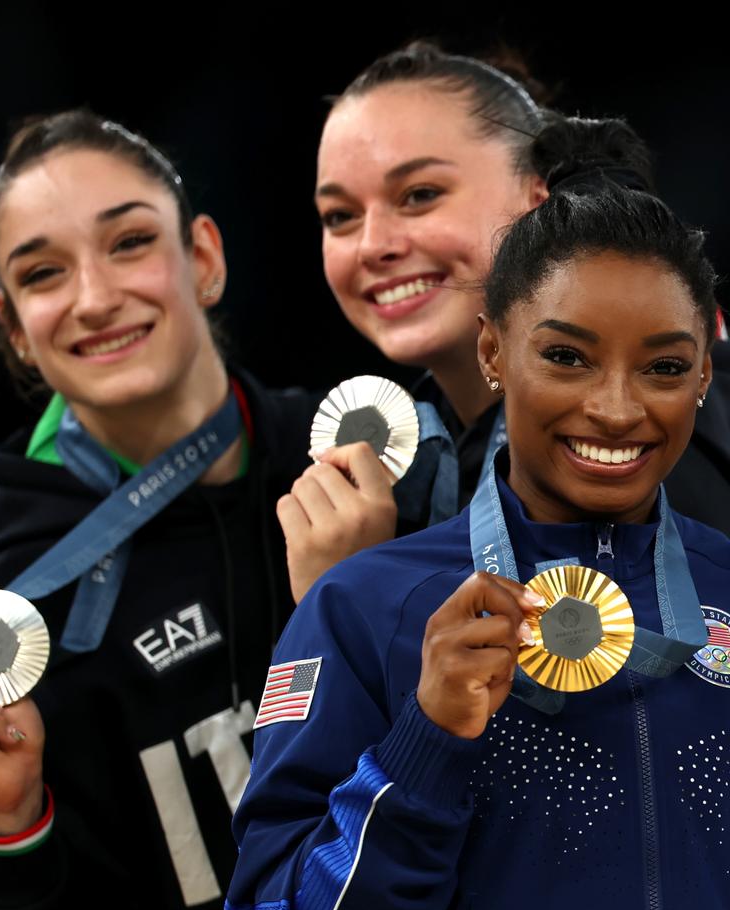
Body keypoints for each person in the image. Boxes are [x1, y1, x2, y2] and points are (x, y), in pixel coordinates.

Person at [225, 116, 730, 910]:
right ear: (494, 351)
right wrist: (425, 745)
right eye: (567, 357)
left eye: (663, 367)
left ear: (701, 378)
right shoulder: (364, 603)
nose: (616, 409)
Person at [0, 111, 370, 910]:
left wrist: (365, 605)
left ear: (206, 258)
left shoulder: (370, 471)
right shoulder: (9, 628)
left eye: (130, 242)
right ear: (16, 328)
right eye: (42, 273)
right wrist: (6, 826)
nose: (96, 296)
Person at [278, 43, 730, 603]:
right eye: (340, 216)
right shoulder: (415, 461)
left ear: (537, 201)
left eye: (420, 195)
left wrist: (357, 598)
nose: (373, 245)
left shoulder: (634, 437)